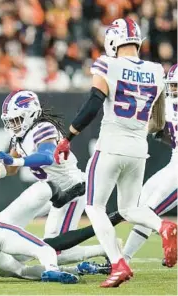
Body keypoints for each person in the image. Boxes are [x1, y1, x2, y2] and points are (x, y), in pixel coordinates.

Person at [53, 18, 177, 288]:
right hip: (138, 148)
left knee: (94, 207)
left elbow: (93, 104)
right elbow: (157, 121)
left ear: (112, 40)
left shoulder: (107, 64)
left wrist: (68, 137)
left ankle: (118, 263)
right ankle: (163, 226)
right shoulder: (157, 70)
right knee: (130, 208)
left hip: (110, 144)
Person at [0, 90, 105, 265]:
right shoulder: (19, 138)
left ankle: (106, 250)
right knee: (5, 227)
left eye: (16, 119)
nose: (13, 125)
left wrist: (15, 159)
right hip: (49, 191)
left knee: (54, 251)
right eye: (10, 121)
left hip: (71, 190)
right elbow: (9, 169)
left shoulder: (43, 128)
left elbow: (46, 156)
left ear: (31, 113)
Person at [123, 64, 178, 263]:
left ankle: (123, 259)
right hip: (175, 162)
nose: (173, 91)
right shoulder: (170, 106)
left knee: (149, 210)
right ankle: (124, 258)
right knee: (144, 202)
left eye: (176, 86)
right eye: (172, 86)